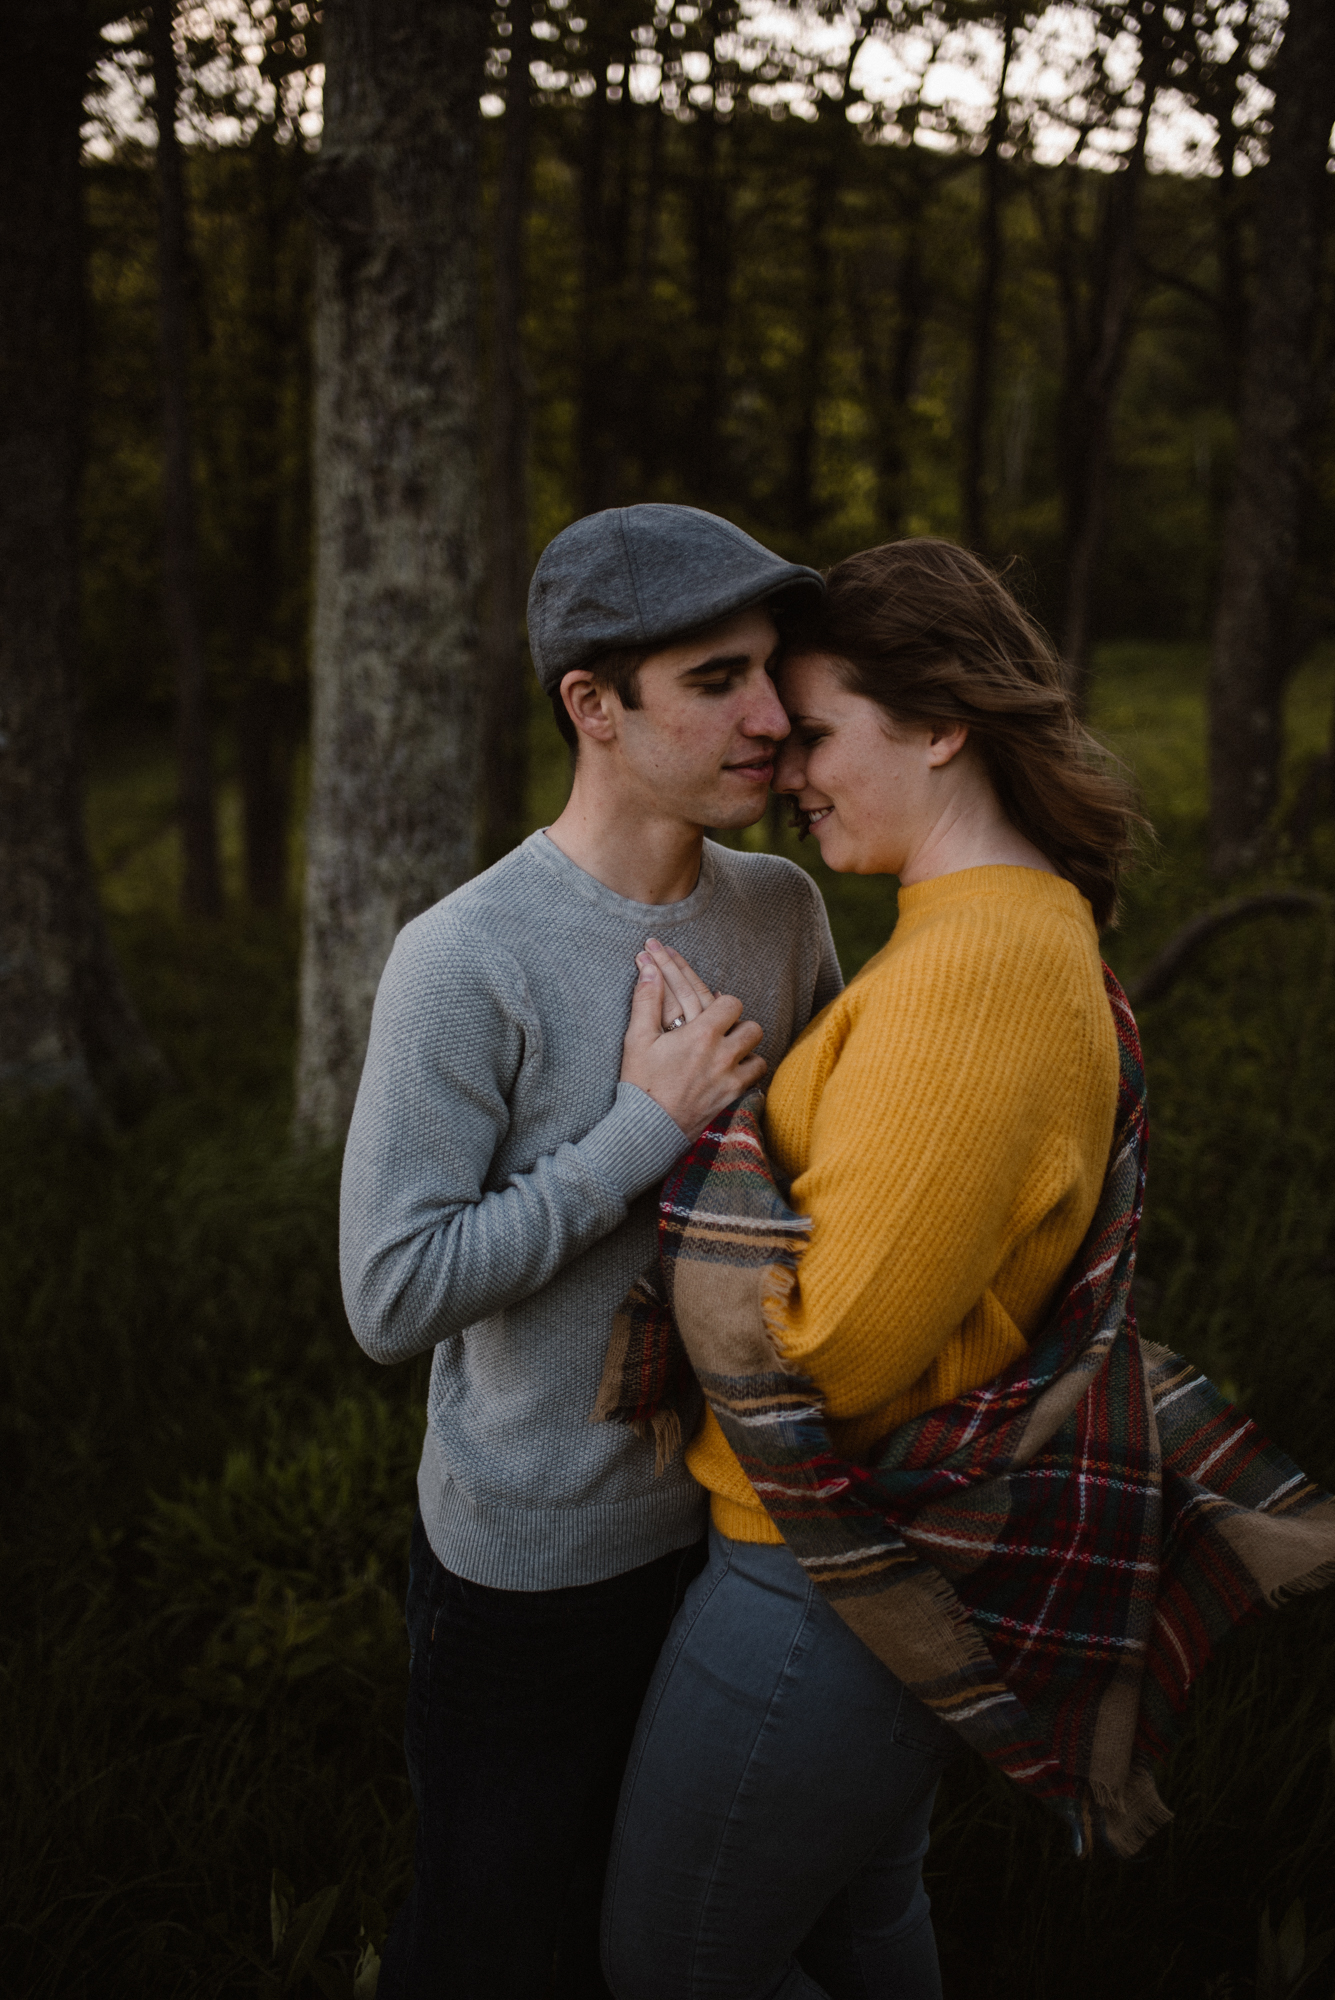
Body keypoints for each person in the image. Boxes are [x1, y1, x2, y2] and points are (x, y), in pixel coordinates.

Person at [599, 537, 1144, 2000]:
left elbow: (828, 1353)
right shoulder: (995, 930)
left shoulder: (977, 973)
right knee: (859, 1920)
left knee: (671, 1960)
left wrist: (691, 1148)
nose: (790, 767)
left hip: (817, 1580)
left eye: (822, 730)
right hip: (878, 1554)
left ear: (943, 722)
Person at [339, 502, 843, 1999]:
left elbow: (820, 1187)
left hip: (737, 1540)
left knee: (683, 1942)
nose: (771, 718)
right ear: (593, 706)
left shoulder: (780, 907)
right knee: (501, 1946)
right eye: (714, 680)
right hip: (529, 1575)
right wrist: (642, 1127)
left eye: (772, 671)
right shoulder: (464, 957)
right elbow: (391, 1293)